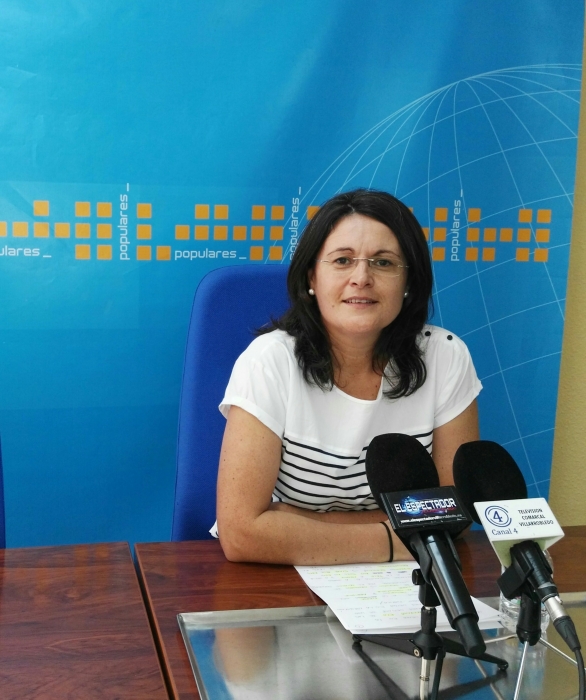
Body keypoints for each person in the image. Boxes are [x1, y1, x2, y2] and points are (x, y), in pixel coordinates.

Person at [216, 188, 480, 565]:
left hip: (408, 580)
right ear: (312, 277)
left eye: (383, 262)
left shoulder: (445, 357)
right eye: (342, 260)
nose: (361, 277)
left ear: (409, 282)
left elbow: (453, 514)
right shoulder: (269, 361)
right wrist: (397, 539)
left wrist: (297, 521)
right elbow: (242, 533)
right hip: (281, 574)